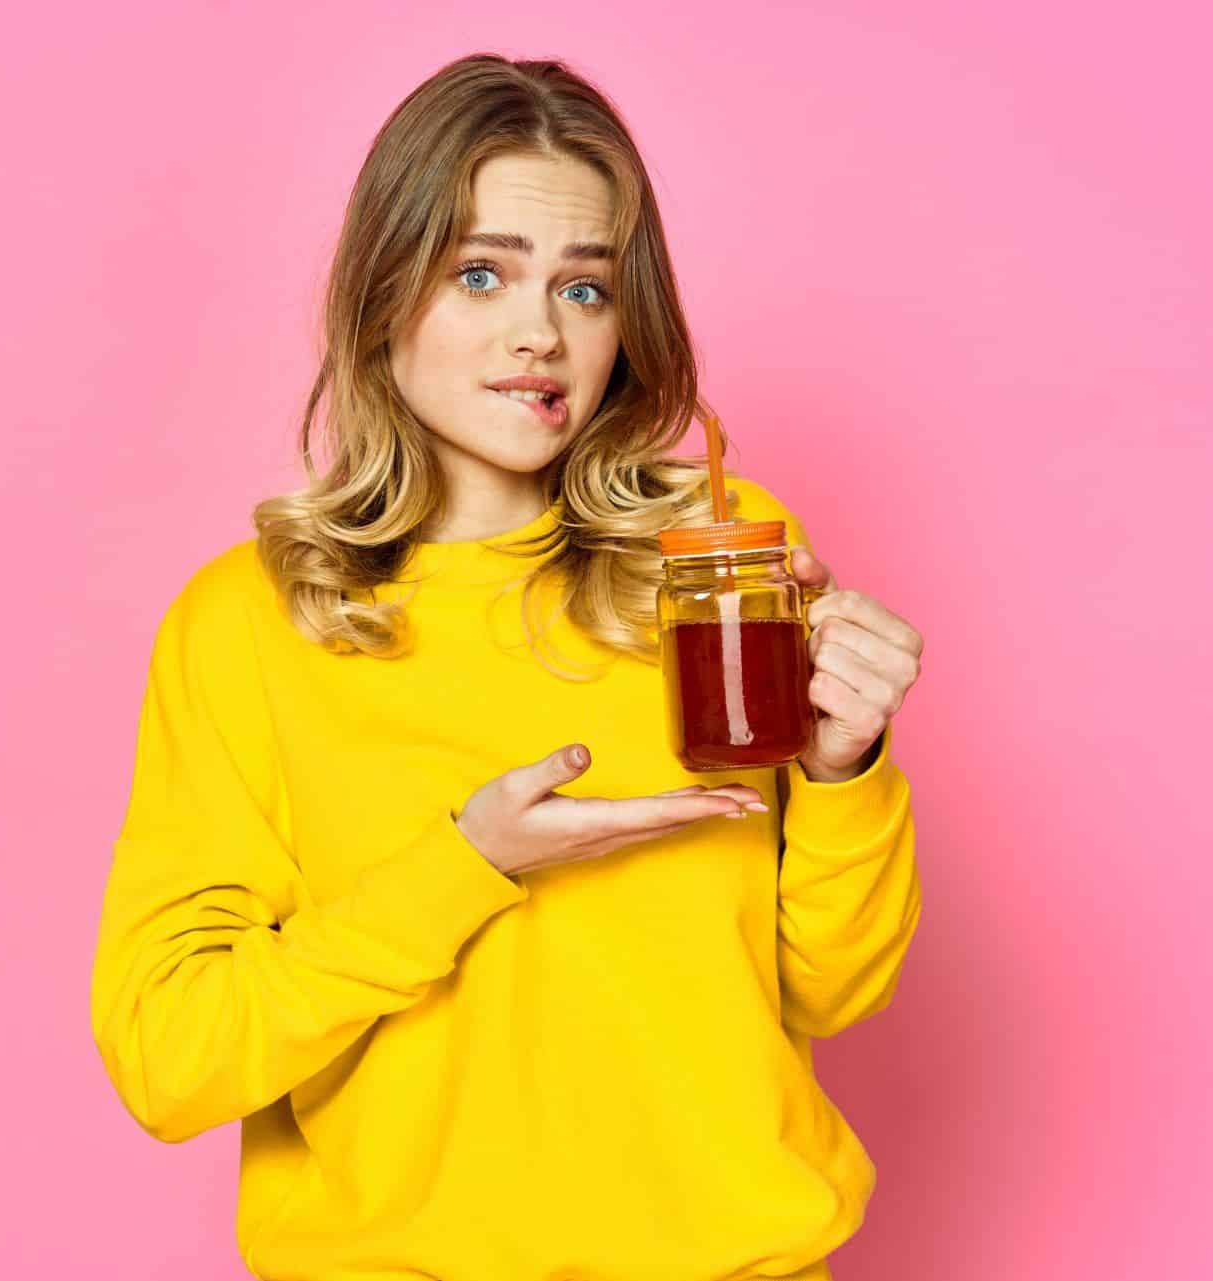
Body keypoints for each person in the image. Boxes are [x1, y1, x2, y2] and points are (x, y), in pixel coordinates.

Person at [90, 53, 925, 1281]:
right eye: (481, 275)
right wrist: (466, 867)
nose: (540, 333)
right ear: (383, 301)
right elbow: (175, 1059)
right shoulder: (254, 623)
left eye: (585, 291)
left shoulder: (716, 564)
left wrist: (846, 767)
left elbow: (828, 993)